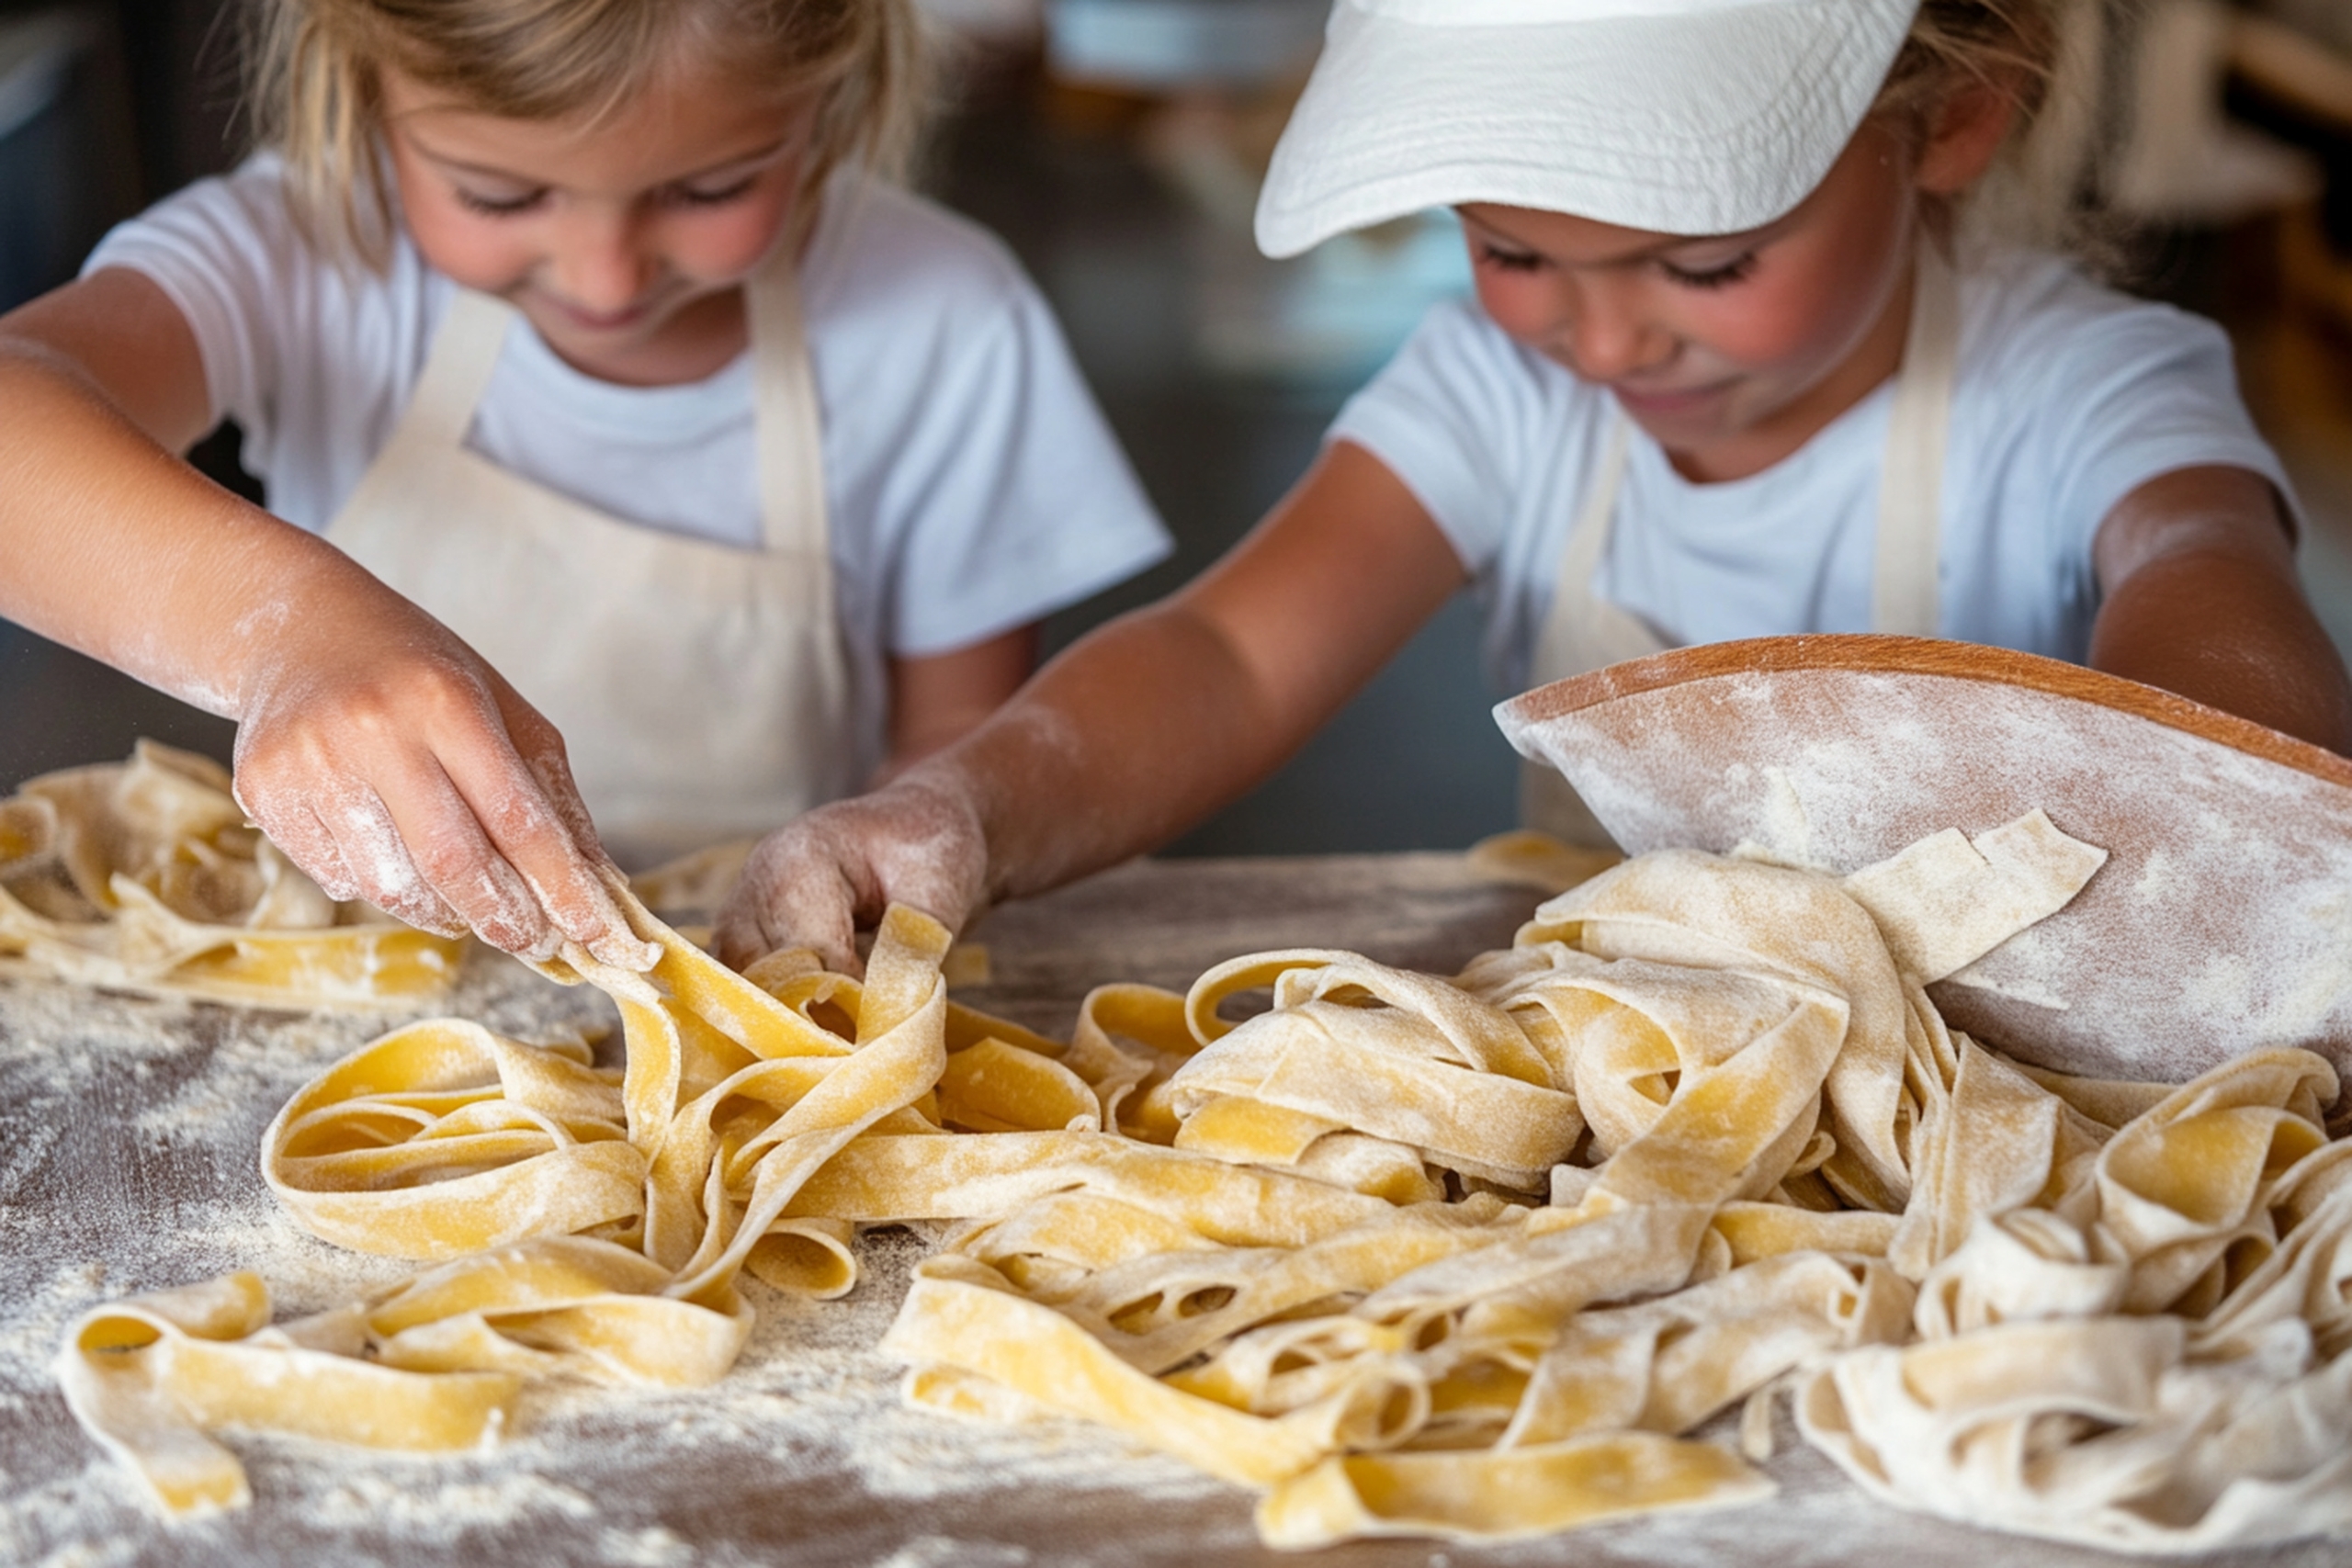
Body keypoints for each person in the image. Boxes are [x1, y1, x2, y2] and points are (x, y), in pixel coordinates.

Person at [712, 0, 2352, 975]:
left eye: (1706, 259)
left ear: (1953, 119)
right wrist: (968, 803)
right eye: (1510, 249)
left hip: (2000, 1080)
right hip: (1623, 1078)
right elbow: (1227, 657)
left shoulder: (2076, 389)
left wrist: (2205, 809)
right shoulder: (1503, 393)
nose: (1606, 326)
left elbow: (2212, 585)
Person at [0, 0, 1167, 965]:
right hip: (370, 981)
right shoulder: (309, 252)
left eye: (709, 191)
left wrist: (878, 903)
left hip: (748, 967)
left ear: (840, 79)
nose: (605, 276)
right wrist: (287, 636)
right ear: (362, 89)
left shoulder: (944, 323)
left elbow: (956, 739)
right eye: (502, 197)